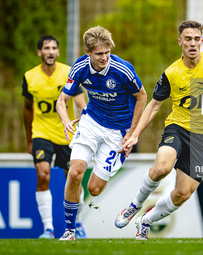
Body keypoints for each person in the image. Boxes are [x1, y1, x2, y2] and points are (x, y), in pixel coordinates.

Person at [115, 20, 203, 240]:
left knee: (183, 193)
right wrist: (134, 136)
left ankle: (145, 221)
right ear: (180, 42)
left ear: (201, 41)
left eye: (196, 39)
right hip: (177, 128)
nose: (192, 43)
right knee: (162, 167)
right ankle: (134, 206)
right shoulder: (171, 73)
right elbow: (154, 105)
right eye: (187, 39)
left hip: (202, 137)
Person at [56, 26, 147, 241]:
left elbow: (142, 97)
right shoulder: (79, 67)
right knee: (75, 172)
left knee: (94, 189)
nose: (105, 57)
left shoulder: (122, 70)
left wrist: (132, 134)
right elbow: (61, 101)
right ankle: (69, 231)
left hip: (118, 132)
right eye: (99, 53)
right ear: (88, 53)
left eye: (107, 52)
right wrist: (66, 121)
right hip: (91, 123)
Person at [22, 35, 87, 239]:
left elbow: (80, 104)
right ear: (40, 52)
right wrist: (30, 139)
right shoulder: (30, 77)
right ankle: (48, 229)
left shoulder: (68, 72)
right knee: (43, 176)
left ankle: (76, 223)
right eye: (46, 48)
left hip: (67, 134)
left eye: (54, 48)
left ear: (58, 52)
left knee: (74, 178)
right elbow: (27, 108)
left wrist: (84, 130)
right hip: (41, 132)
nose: (50, 51)